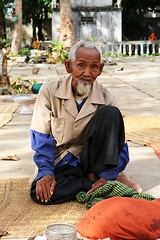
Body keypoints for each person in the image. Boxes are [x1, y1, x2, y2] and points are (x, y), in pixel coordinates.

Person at [30, 40, 141, 205]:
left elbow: (120, 147)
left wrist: (108, 175)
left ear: (100, 70)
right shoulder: (49, 92)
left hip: (92, 165)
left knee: (111, 114)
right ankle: (96, 186)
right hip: (62, 162)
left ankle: (103, 181)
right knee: (38, 193)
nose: (87, 73)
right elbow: (40, 139)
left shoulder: (107, 99)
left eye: (94, 67)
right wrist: (46, 172)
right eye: (81, 65)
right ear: (69, 67)